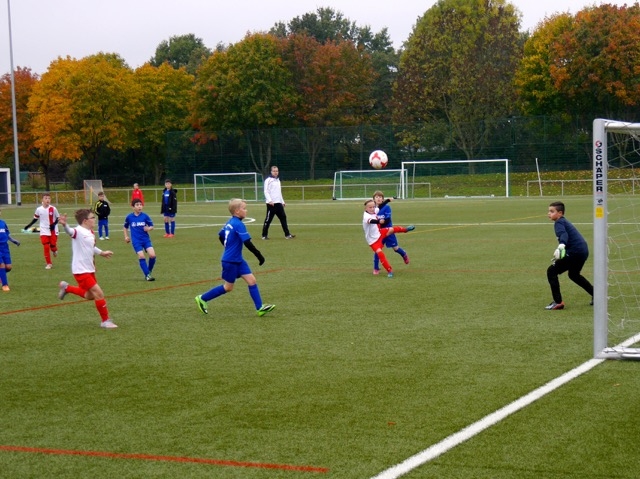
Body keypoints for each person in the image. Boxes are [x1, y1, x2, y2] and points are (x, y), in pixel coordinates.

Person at [195, 198, 276, 317]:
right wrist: (259, 255)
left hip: (238, 259)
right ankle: (202, 298)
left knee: (252, 281)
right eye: (244, 208)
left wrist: (228, 247)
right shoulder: (238, 224)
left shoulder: (230, 222)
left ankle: (260, 308)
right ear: (237, 211)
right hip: (230, 261)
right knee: (228, 287)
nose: (246, 210)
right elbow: (247, 242)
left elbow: (221, 235)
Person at [57, 209, 117, 329]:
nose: (94, 219)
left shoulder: (90, 232)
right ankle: (105, 321)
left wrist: (102, 253)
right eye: (92, 217)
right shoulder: (78, 231)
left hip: (89, 269)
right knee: (99, 293)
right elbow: (70, 232)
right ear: (85, 221)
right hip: (80, 270)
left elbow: (91, 247)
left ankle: (67, 288)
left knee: (90, 296)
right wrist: (65, 225)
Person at [546, 201, 594, 310]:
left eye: (552, 211)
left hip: (575, 252)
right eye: (549, 211)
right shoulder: (563, 221)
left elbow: (564, 234)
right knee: (574, 275)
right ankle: (596, 294)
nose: (549, 213)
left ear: (560, 213)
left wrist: (561, 245)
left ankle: (558, 302)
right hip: (582, 251)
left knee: (551, 271)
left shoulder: (559, 223)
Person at [363, 199, 415, 278]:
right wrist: (379, 221)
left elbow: (380, 206)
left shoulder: (375, 210)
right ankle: (389, 270)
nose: (372, 209)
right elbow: (371, 221)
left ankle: (406, 229)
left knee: (392, 229)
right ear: (366, 208)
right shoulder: (366, 216)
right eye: (370, 207)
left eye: (373, 207)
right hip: (373, 241)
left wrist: (387, 200)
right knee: (380, 253)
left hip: (379, 233)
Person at [372, 191, 410, 275]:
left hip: (389, 231)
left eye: (380, 197)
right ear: (373, 199)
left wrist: (381, 222)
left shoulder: (387, 207)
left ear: (383, 199)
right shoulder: (373, 209)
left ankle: (404, 254)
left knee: (395, 248)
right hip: (378, 233)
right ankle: (376, 268)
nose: (378, 198)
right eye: (376, 197)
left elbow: (388, 219)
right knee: (377, 250)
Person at [23, 192, 60, 269]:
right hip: (43, 230)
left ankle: (54, 250)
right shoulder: (39, 209)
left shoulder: (53, 209)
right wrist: (29, 225)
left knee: (52, 245)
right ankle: (49, 263)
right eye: (46, 198)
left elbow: (58, 218)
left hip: (53, 230)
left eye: (49, 198)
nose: (47, 200)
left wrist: (54, 224)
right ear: (42, 200)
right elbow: (35, 219)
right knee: (46, 246)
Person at [123, 198, 157, 281]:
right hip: (136, 241)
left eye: (140, 205)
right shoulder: (129, 217)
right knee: (141, 256)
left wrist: (148, 228)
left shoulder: (145, 216)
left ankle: (148, 271)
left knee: (152, 255)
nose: (139, 206)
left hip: (145, 240)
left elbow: (151, 226)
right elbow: (125, 227)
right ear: (133, 207)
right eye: (137, 205)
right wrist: (126, 236)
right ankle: (147, 275)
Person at [261, 165, 294, 240]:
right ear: (271, 172)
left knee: (283, 218)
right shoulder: (268, 180)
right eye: (274, 171)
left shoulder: (278, 180)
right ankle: (264, 235)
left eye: (276, 171)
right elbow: (266, 191)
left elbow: (279, 192)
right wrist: (270, 200)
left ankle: (287, 234)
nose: (275, 172)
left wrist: (282, 201)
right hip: (271, 204)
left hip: (278, 203)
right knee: (268, 220)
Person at [0, 208, 20, 291]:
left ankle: (1, 275)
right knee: (1, 265)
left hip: (5, 247)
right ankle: (5, 285)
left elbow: (6, 234)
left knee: (8, 267)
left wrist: (13, 240)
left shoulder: (3, 223)